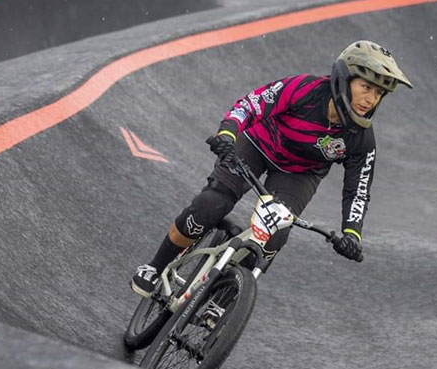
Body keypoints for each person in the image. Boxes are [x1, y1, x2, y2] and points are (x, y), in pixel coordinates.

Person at [132, 40, 413, 297]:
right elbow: (252, 104)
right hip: (256, 145)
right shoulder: (306, 89)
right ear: (344, 79)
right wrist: (227, 134)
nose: (371, 99)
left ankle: (223, 302)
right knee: (211, 204)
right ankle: (155, 267)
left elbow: (358, 190)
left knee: (274, 235)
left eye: (379, 93)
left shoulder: (362, 139)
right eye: (366, 88)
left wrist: (352, 234)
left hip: (299, 174)